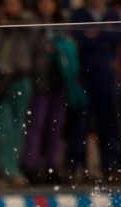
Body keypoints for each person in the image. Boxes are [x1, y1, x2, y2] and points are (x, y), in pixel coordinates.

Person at [66, 0, 121, 183]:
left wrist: (96, 35)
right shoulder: (80, 15)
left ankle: (109, 166)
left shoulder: (113, 14)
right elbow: (81, 41)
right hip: (85, 77)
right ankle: (75, 166)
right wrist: (105, 38)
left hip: (107, 78)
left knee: (108, 124)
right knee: (80, 124)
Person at [0, 0, 36, 188]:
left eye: (15, 4)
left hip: (21, 79)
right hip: (0, 81)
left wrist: (15, 24)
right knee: (3, 128)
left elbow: (34, 40)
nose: (12, 8)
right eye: (8, 4)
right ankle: (7, 171)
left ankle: (12, 169)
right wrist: (2, 26)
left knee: (17, 128)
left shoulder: (28, 22)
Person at [21, 0, 72, 185]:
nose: (46, 5)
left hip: (59, 80)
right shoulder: (32, 22)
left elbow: (70, 47)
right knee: (35, 126)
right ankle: (30, 166)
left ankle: (53, 167)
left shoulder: (63, 24)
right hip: (40, 81)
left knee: (56, 127)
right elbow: (30, 47)